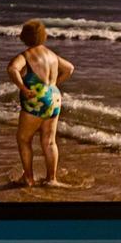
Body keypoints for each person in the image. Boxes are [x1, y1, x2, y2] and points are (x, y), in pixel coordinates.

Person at [7, 20, 75, 189]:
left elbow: (12, 69)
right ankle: (51, 179)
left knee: (23, 139)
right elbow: (69, 69)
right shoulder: (52, 55)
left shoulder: (26, 55)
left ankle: (28, 178)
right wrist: (54, 84)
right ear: (43, 36)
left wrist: (22, 87)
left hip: (36, 99)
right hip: (54, 97)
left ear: (24, 37)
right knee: (49, 141)